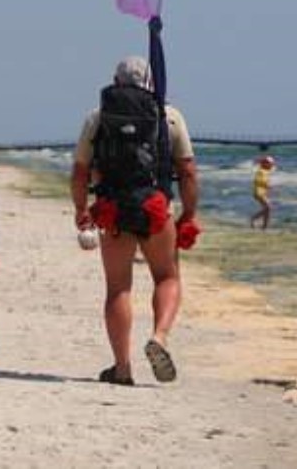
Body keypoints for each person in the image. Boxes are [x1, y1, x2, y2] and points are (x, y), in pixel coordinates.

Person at [71, 55, 200, 386]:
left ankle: (122, 367)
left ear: (115, 82)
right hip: (155, 209)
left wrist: (80, 208)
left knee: (118, 288)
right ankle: (159, 337)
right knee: (167, 277)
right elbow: (187, 171)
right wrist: (189, 213)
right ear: (150, 84)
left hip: (112, 209)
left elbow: (80, 171)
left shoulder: (97, 118)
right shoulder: (168, 116)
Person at [250, 155, 275, 230]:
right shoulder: (260, 171)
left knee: (268, 209)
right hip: (258, 193)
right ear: (264, 164)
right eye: (270, 163)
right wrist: (267, 185)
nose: (271, 165)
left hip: (263, 193)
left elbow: (272, 168)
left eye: (272, 163)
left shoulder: (266, 170)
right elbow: (257, 180)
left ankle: (264, 227)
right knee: (269, 208)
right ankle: (254, 218)